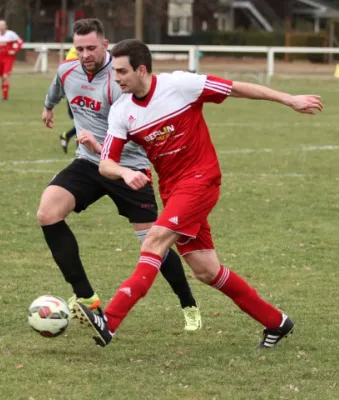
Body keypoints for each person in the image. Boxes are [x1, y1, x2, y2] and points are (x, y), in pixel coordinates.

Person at [73, 39, 323, 349]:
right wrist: (124, 172)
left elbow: (236, 88)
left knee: (154, 240)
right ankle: (277, 322)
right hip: (173, 189)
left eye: (122, 71)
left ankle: (109, 320)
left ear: (141, 69)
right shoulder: (122, 111)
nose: (116, 77)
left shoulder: (180, 85)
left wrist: (289, 99)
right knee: (206, 270)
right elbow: (107, 164)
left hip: (201, 179)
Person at [39, 19, 202, 331]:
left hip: (127, 168)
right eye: (80, 48)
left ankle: (187, 302)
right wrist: (48, 107)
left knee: (152, 242)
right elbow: (58, 89)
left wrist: (96, 144)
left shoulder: (120, 82)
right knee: (47, 213)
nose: (85, 54)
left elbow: (131, 133)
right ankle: (86, 298)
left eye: (92, 48)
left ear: (105, 45)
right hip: (88, 164)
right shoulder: (67, 70)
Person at [0, 20, 23, 101]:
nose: (1, 27)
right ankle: (4, 88)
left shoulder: (11, 34)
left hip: (8, 57)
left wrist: (14, 50)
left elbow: (20, 42)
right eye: (0, 25)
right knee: (1, 76)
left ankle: (5, 97)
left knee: (5, 76)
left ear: (6, 26)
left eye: (3, 25)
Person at [59, 46, 78, 153]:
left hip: (76, 94)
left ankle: (66, 136)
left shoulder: (77, 50)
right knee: (82, 125)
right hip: (76, 95)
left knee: (82, 125)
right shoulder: (75, 53)